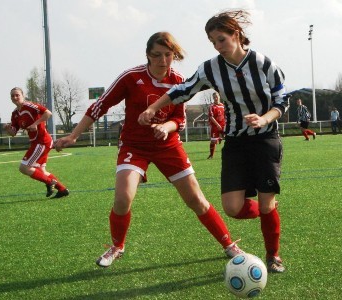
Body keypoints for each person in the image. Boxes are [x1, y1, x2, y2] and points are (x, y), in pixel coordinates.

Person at [54, 32, 243, 268]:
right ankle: (117, 247)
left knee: (196, 199)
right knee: (123, 198)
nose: (163, 60)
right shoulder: (131, 77)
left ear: (174, 55)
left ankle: (229, 244)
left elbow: (180, 121)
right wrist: (74, 135)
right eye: (157, 55)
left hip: (168, 145)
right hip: (135, 146)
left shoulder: (179, 81)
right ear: (147, 55)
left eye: (168, 55)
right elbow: (100, 105)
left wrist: (166, 126)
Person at [139, 10, 287, 273]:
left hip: (265, 140)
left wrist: (264, 119)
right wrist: (153, 109)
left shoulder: (263, 63)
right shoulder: (210, 68)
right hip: (236, 143)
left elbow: (280, 102)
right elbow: (182, 90)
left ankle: (273, 255)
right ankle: (269, 210)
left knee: (266, 204)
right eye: (213, 42)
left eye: (221, 39)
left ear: (236, 34)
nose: (218, 46)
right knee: (232, 208)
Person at [4, 87, 69, 198]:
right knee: (41, 171)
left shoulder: (29, 106)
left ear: (22, 95)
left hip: (42, 141)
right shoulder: (15, 113)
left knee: (24, 167)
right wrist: (7, 129)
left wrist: (35, 123)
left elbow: (48, 113)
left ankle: (49, 182)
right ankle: (62, 190)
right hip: (36, 143)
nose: (15, 97)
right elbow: (13, 132)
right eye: (12, 96)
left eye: (17, 95)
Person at [207, 91, 225, 159]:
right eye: (214, 97)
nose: (215, 98)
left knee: (229, 138)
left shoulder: (222, 106)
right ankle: (211, 155)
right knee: (213, 141)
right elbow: (211, 117)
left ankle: (220, 138)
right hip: (215, 126)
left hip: (223, 125)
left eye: (216, 97)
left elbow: (225, 115)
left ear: (219, 97)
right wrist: (217, 125)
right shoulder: (212, 106)